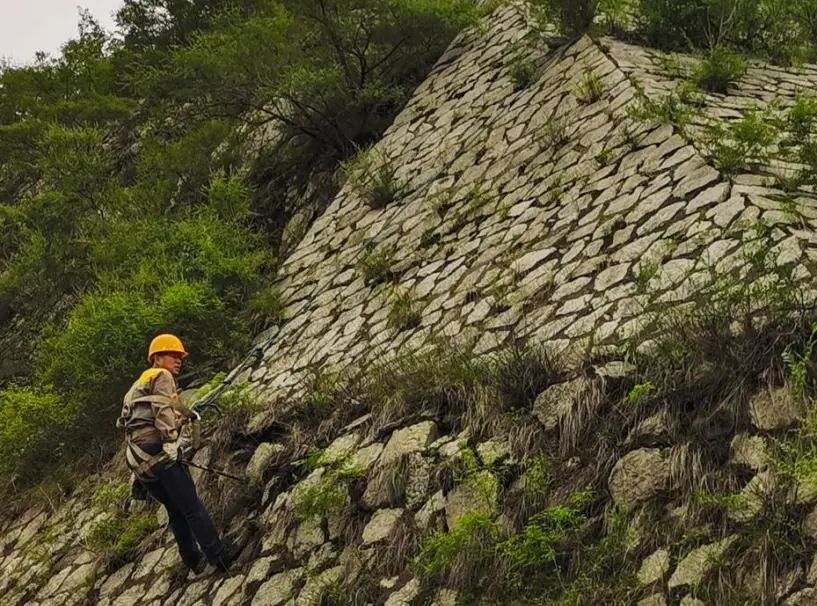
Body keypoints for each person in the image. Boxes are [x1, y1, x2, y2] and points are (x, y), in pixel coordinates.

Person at [119, 333, 239, 573]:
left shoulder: (136, 386)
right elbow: (162, 409)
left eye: (180, 357)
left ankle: (193, 562)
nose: (178, 360)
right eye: (173, 355)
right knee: (191, 506)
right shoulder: (162, 376)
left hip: (139, 461)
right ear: (157, 358)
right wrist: (171, 440)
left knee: (175, 510)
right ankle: (219, 554)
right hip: (159, 453)